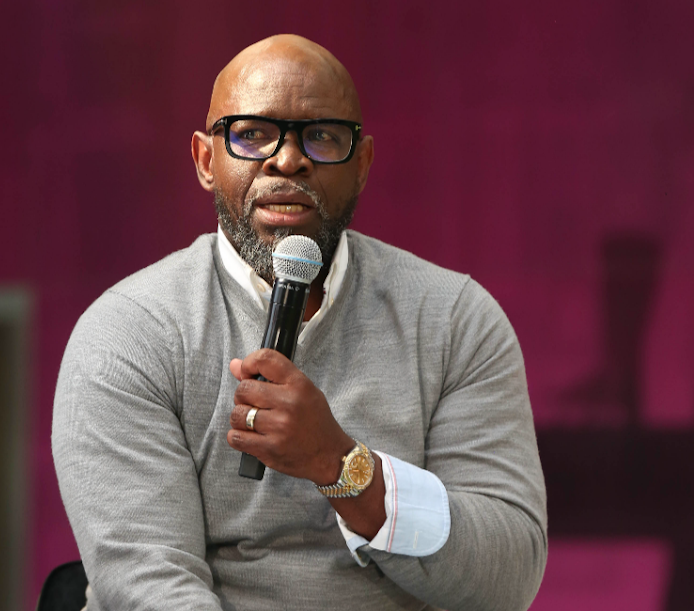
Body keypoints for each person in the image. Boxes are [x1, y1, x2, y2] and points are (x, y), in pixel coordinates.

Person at [53, 34, 547, 611]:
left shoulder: (454, 318)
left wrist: (339, 466)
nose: (288, 159)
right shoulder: (129, 332)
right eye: (252, 133)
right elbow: (150, 584)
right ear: (205, 160)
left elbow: (506, 577)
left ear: (361, 166)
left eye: (321, 136)